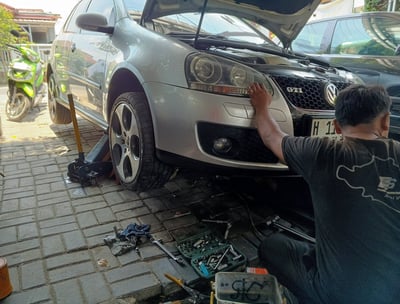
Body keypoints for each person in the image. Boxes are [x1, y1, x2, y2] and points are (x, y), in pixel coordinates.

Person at [248, 82, 400, 304]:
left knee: (273, 247)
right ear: (386, 121)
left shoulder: (323, 153)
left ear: (336, 126)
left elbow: (272, 137)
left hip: (340, 295)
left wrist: (262, 105)